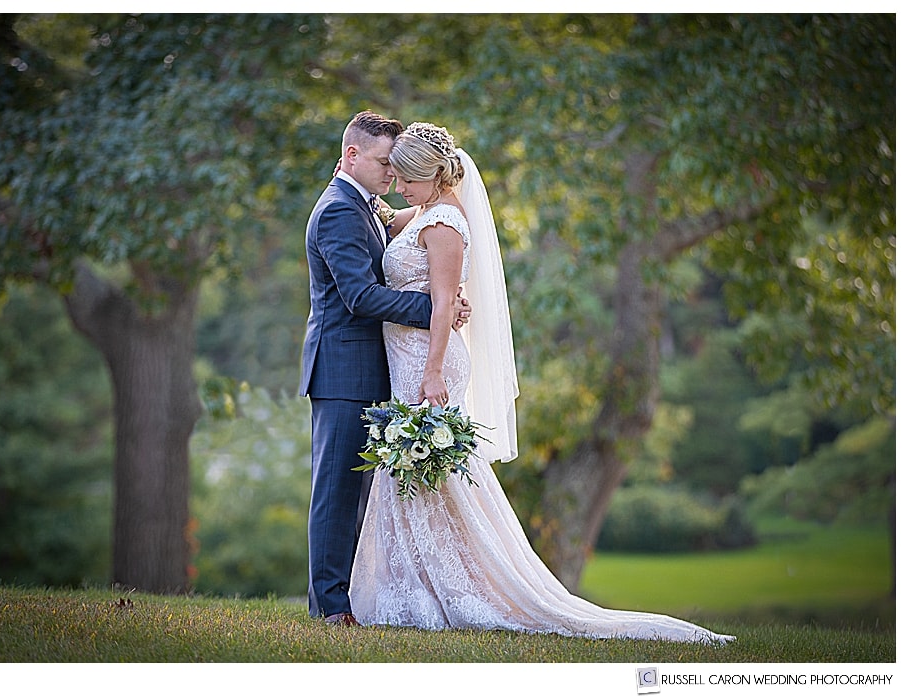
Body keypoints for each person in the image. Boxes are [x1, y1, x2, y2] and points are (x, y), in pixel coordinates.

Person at [349, 121, 735, 644]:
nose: (398, 186)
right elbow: (385, 220)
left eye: (407, 180)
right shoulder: (419, 213)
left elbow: (443, 303)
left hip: (427, 362)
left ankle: (456, 589)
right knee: (418, 477)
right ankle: (417, 586)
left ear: (433, 178)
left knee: (433, 473)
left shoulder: (442, 224)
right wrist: (354, 181)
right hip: (407, 357)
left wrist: (434, 369)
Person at [299, 111, 469, 627]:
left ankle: (357, 595)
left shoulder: (368, 205)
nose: (391, 175)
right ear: (351, 155)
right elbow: (357, 295)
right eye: (382, 163)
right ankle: (330, 607)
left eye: (397, 166)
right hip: (343, 369)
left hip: (377, 366)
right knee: (335, 490)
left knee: (367, 494)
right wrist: (435, 311)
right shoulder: (337, 211)